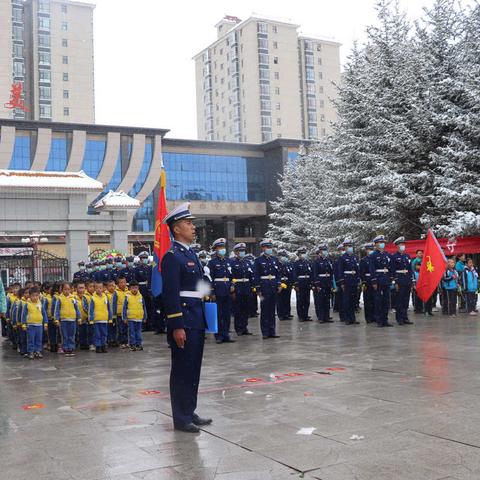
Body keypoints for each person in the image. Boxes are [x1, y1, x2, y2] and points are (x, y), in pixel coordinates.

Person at [161, 202, 211, 433]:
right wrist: (176, 325)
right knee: (182, 370)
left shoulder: (190, 254)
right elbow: (171, 294)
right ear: (176, 228)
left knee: (193, 368)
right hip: (184, 320)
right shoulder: (173, 256)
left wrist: (207, 292)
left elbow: (198, 287)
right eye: (188, 223)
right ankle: (181, 418)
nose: (193, 227)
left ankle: (189, 410)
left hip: (197, 316)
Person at [208, 238, 235, 344]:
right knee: (218, 315)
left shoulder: (229, 262)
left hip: (227, 290)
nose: (222, 249)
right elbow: (209, 278)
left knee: (227, 314)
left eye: (223, 247)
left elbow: (232, 276)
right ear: (215, 250)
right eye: (220, 247)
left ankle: (226, 334)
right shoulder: (212, 263)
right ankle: (218, 336)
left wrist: (232, 284)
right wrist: (212, 292)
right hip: (218, 291)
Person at [254, 239, 281, 339]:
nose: (269, 249)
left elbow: (278, 274)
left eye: (270, 247)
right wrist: (258, 289)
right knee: (265, 310)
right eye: (267, 247)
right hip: (264, 287)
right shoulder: (258, 260)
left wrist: (278, 284)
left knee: (272, 310)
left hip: (273, 287)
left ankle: (272, 331)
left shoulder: (275, 260)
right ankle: (265, 332)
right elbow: (256, 275)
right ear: (262, 248)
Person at [229, 243, 253, 335]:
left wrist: (252, 287)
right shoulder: (232, 262)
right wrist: (233, 288)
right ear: (236, 252)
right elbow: (230, 276)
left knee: (246, 309)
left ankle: (244, 327)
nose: (242, 252)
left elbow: (251, 275)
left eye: (243, 251)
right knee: (238, 309)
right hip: (237, 287)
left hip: (246, 287)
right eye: (240, 251)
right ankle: (238, 328)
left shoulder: (247, 262)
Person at [370, 235, 394, 327]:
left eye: (383, 242)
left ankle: (385, 319)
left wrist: (391, 278)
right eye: (380, 242)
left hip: (386, 279)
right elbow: (372, 269)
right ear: (375, 244)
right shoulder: (373, 255)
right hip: (378, 279)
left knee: (386, 301)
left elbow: (391, 267)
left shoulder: (387, 255)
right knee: (378, 300)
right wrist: (374, 281)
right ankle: (379, 320)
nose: (382, 244)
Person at [337, 238, 360, 325]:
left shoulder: (354, 257)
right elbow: (340, 271)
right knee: (347, 300)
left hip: (354, 281)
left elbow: (357, 270)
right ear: (345, 248)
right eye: (348, 246)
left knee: (353, 300)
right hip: (347, 281)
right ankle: (347, 318)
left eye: (351, 246)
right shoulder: (342, 258)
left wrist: (358, 279)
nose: (350, 248)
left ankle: (352, 318)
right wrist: (342, 282)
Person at [391, 237, 414, 325]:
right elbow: (393, 270)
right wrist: (395, 281)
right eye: (401, 245)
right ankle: (399, 318)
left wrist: (411, 280)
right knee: (399, 300)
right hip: (399, 280)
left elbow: (410, 269)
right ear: (397, 246)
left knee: (406, 300)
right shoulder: (394, 257)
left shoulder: (407, 256)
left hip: (407, 280)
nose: (403, 246)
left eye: (403, 245)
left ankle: (405, 317)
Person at [21, 286, 48, 359]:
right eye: (33, 296)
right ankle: (31, 351)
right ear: (30, 296)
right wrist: (23, 324)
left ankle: (38, 351)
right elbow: (24, 315)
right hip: (30, 325)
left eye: (36, 295)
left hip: (39, 325)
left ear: (39, 295)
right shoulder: (27, 304)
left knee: (39, 339)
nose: (35, 297)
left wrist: (45, 323)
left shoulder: (40, 304)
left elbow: (44, 314)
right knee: (31, 339)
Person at [54, 282, 81, 357]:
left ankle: (71, 348)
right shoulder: (59, 298)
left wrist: (79, 318)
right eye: (65, 289)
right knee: (64, 335)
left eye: (68, 289)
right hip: (63, 320)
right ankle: (66, 348)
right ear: (61, 290)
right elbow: (57, 310)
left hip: (72, 320)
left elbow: (77, 309)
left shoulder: (73, 298)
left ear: (71, 290)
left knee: (72, 334)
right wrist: (56, 319)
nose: (67, 291)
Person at [312, 244, 335, 323]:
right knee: (321, 301)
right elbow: (315, 274)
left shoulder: (328, 261)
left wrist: (331, 283)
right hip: (321, 283)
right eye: (323, 251)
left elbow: (331, 273)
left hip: (327, 282)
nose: (324, 252)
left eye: (325, 250)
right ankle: (321, 317)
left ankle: (327, 317)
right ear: (320, 252)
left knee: (327, 301)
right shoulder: (317, 261)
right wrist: (317, 284)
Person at [122, 280, 147, 350]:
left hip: (139, 318)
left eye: (136, 288)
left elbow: (144, 307)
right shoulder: (127, 296)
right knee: (132, 332)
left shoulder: (140, 296)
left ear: (138, 288)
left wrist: (145, 317)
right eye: (133, 288)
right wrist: (124, 317)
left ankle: (138, 344)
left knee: (138, 332)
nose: (134, 289)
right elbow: (124, 308)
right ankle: (132, 344)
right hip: (131, 318)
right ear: (129, 288)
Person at [89, 281, 112, 353]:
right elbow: (91, 309)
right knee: (97, 334)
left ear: (103, 288)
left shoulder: (105, 297)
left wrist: (110, 318)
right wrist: (91, 319)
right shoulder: (93, 298)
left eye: (100, 288)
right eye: (97, 288)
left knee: (104, 333)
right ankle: (98, 347)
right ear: (95, 289)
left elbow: (109, 308)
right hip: (96, 320)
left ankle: (103, 346)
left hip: (104, 319)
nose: (99, 289)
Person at [293, 247, 313, 322]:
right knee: (300, 300)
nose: (304, 255)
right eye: (302, 253)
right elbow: (294, 274)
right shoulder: (296, 263)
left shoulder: (308, 263)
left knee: (306, 300)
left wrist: (311, 282)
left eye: (305, 253)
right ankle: (301, 316)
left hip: (307, 282)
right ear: (299, 254)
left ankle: (305, 315)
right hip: (300, 283)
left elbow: (311, 273)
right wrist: (296, 284)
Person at [135, 251, 153, 331]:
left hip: (149, 289)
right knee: (142, 307)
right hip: (141, 289)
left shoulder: (150, 268)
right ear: (140, 259)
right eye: (143, 258)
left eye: (146, 258)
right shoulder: (137, 269)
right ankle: (143, 325)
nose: (145, 260)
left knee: (150, 307)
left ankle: (150, 325)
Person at [359, 243, 375, 323]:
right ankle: (368, 317)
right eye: (369, 249)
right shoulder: (363, 260)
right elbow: (362, 273)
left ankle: (375, 316)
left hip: (374, 281)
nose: (371, 251)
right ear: (366, 250)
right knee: (368, 300)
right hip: (367, 281)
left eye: (372, 249)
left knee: (375, 300)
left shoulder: (375, 259)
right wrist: (364, 282)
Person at [277, 250, 294, 321]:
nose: (284, 258)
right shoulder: (277, 265)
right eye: (282, 256)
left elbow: (291, 274)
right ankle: (281, 315)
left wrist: (291, 283)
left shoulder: (287, 264)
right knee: (280, 300)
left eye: (285, 256)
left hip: (287, 283)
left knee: (287, 300)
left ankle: (286, 314)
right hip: (280, 283)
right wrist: (279, 284)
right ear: (279, 257)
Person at [112, 276, 129, 348]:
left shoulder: (128, 291)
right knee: (120, 329)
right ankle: (121, 342)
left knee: (126, 328)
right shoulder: (116, 292)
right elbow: (114, 303)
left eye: (124, 282)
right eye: (121, 282)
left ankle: (126, 341)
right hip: (119, 314)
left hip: (127, 314)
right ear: (117, 284)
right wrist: (114, 314)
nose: (123, 284)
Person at [74, 282, 90, 350]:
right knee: (77, 333)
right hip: (77, 319)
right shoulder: (73, 297)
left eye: (83, 288)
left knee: (85, 332)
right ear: (76, 289)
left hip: (85, 319)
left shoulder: (87, 297)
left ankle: (84, 344)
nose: (81, 290)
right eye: (80, 288)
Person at [333, 244, 346, 321]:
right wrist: (338, 283)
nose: (343, 251)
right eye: (341, 249)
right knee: (341, 299)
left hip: (347, 281)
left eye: (343, 249)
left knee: (346, 299)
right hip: (340, 282)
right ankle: (342, 316)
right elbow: (336, 273)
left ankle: (346, 314)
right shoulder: (337, 261)